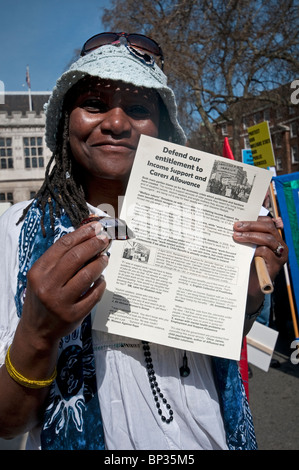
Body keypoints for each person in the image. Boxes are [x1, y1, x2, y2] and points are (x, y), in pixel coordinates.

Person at [0, 32, 288, 451]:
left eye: (137, 109)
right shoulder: (18, 230)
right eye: (94, 104)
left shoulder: (212, 219)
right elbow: (9, 425)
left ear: (163, 127)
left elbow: (220, 349)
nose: (116, 123)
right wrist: (37, 333)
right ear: (65, 119)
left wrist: (244, 297)